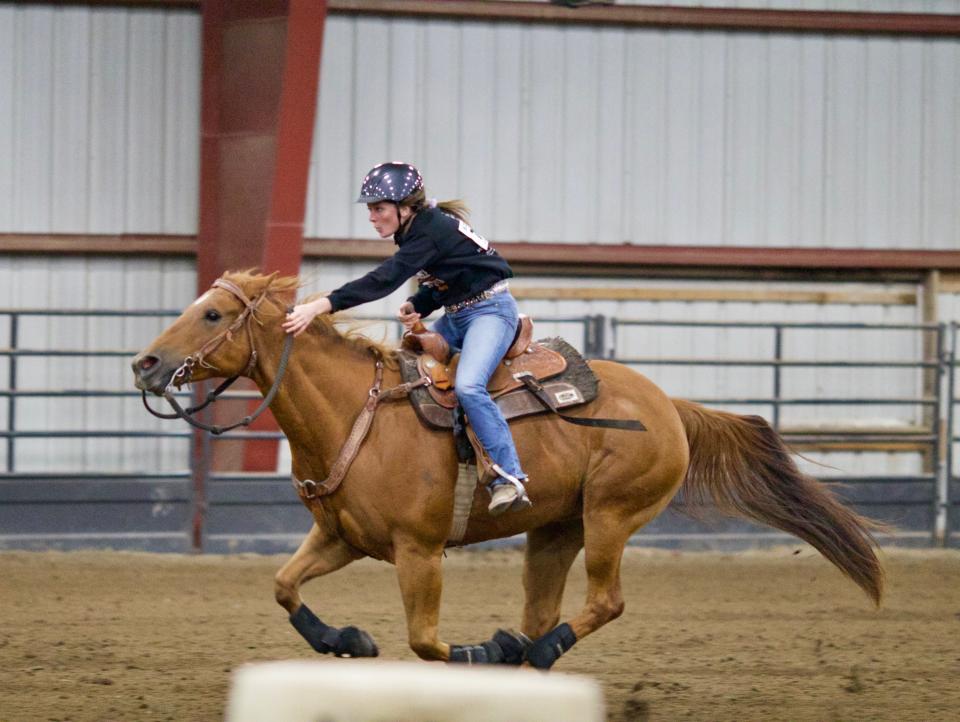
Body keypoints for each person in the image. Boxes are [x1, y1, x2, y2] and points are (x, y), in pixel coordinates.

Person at [282, 162, 531, 516]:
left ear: (405, 207)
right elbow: (453, 277)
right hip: (458, 315)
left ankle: (509, 477)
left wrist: (322, 305)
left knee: (470, 386)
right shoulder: (419, 230)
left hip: (491, 313)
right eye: (370, 208)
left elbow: (386, 278)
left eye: (378, 208)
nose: (372, 216)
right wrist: (418, 303)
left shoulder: (428, 230)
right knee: (404, 368)